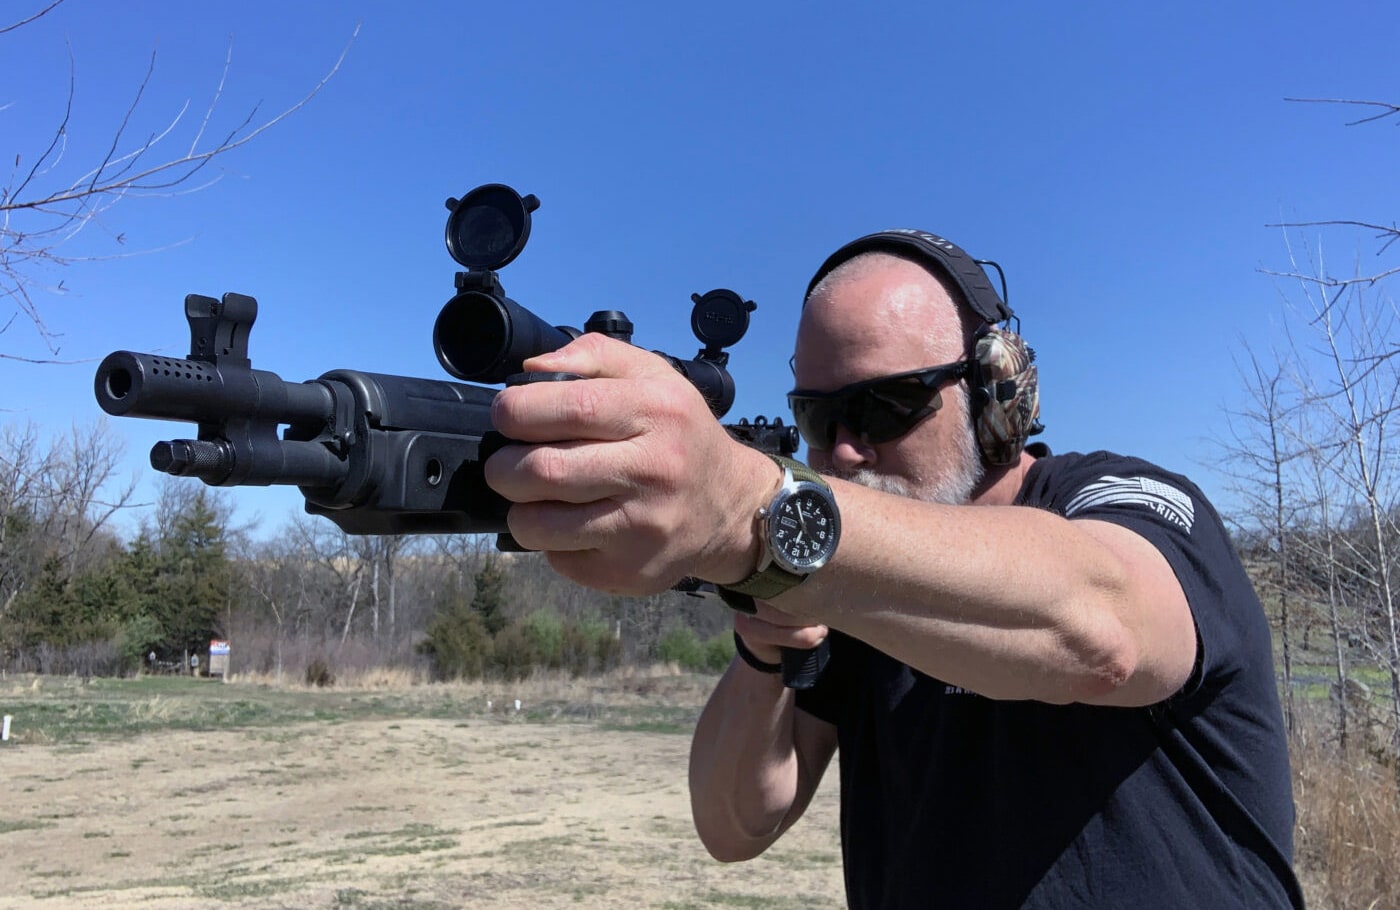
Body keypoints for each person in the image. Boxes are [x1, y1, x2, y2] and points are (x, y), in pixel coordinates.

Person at [484, 229, 1304, 908]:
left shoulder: (1127, 499)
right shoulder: (845, 585)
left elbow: (1103, 631)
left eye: (884, 406)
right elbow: (735, 826)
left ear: (995, 394)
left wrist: (756, 515)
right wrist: (768, 646)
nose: (843, 448)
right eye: (818, 414)